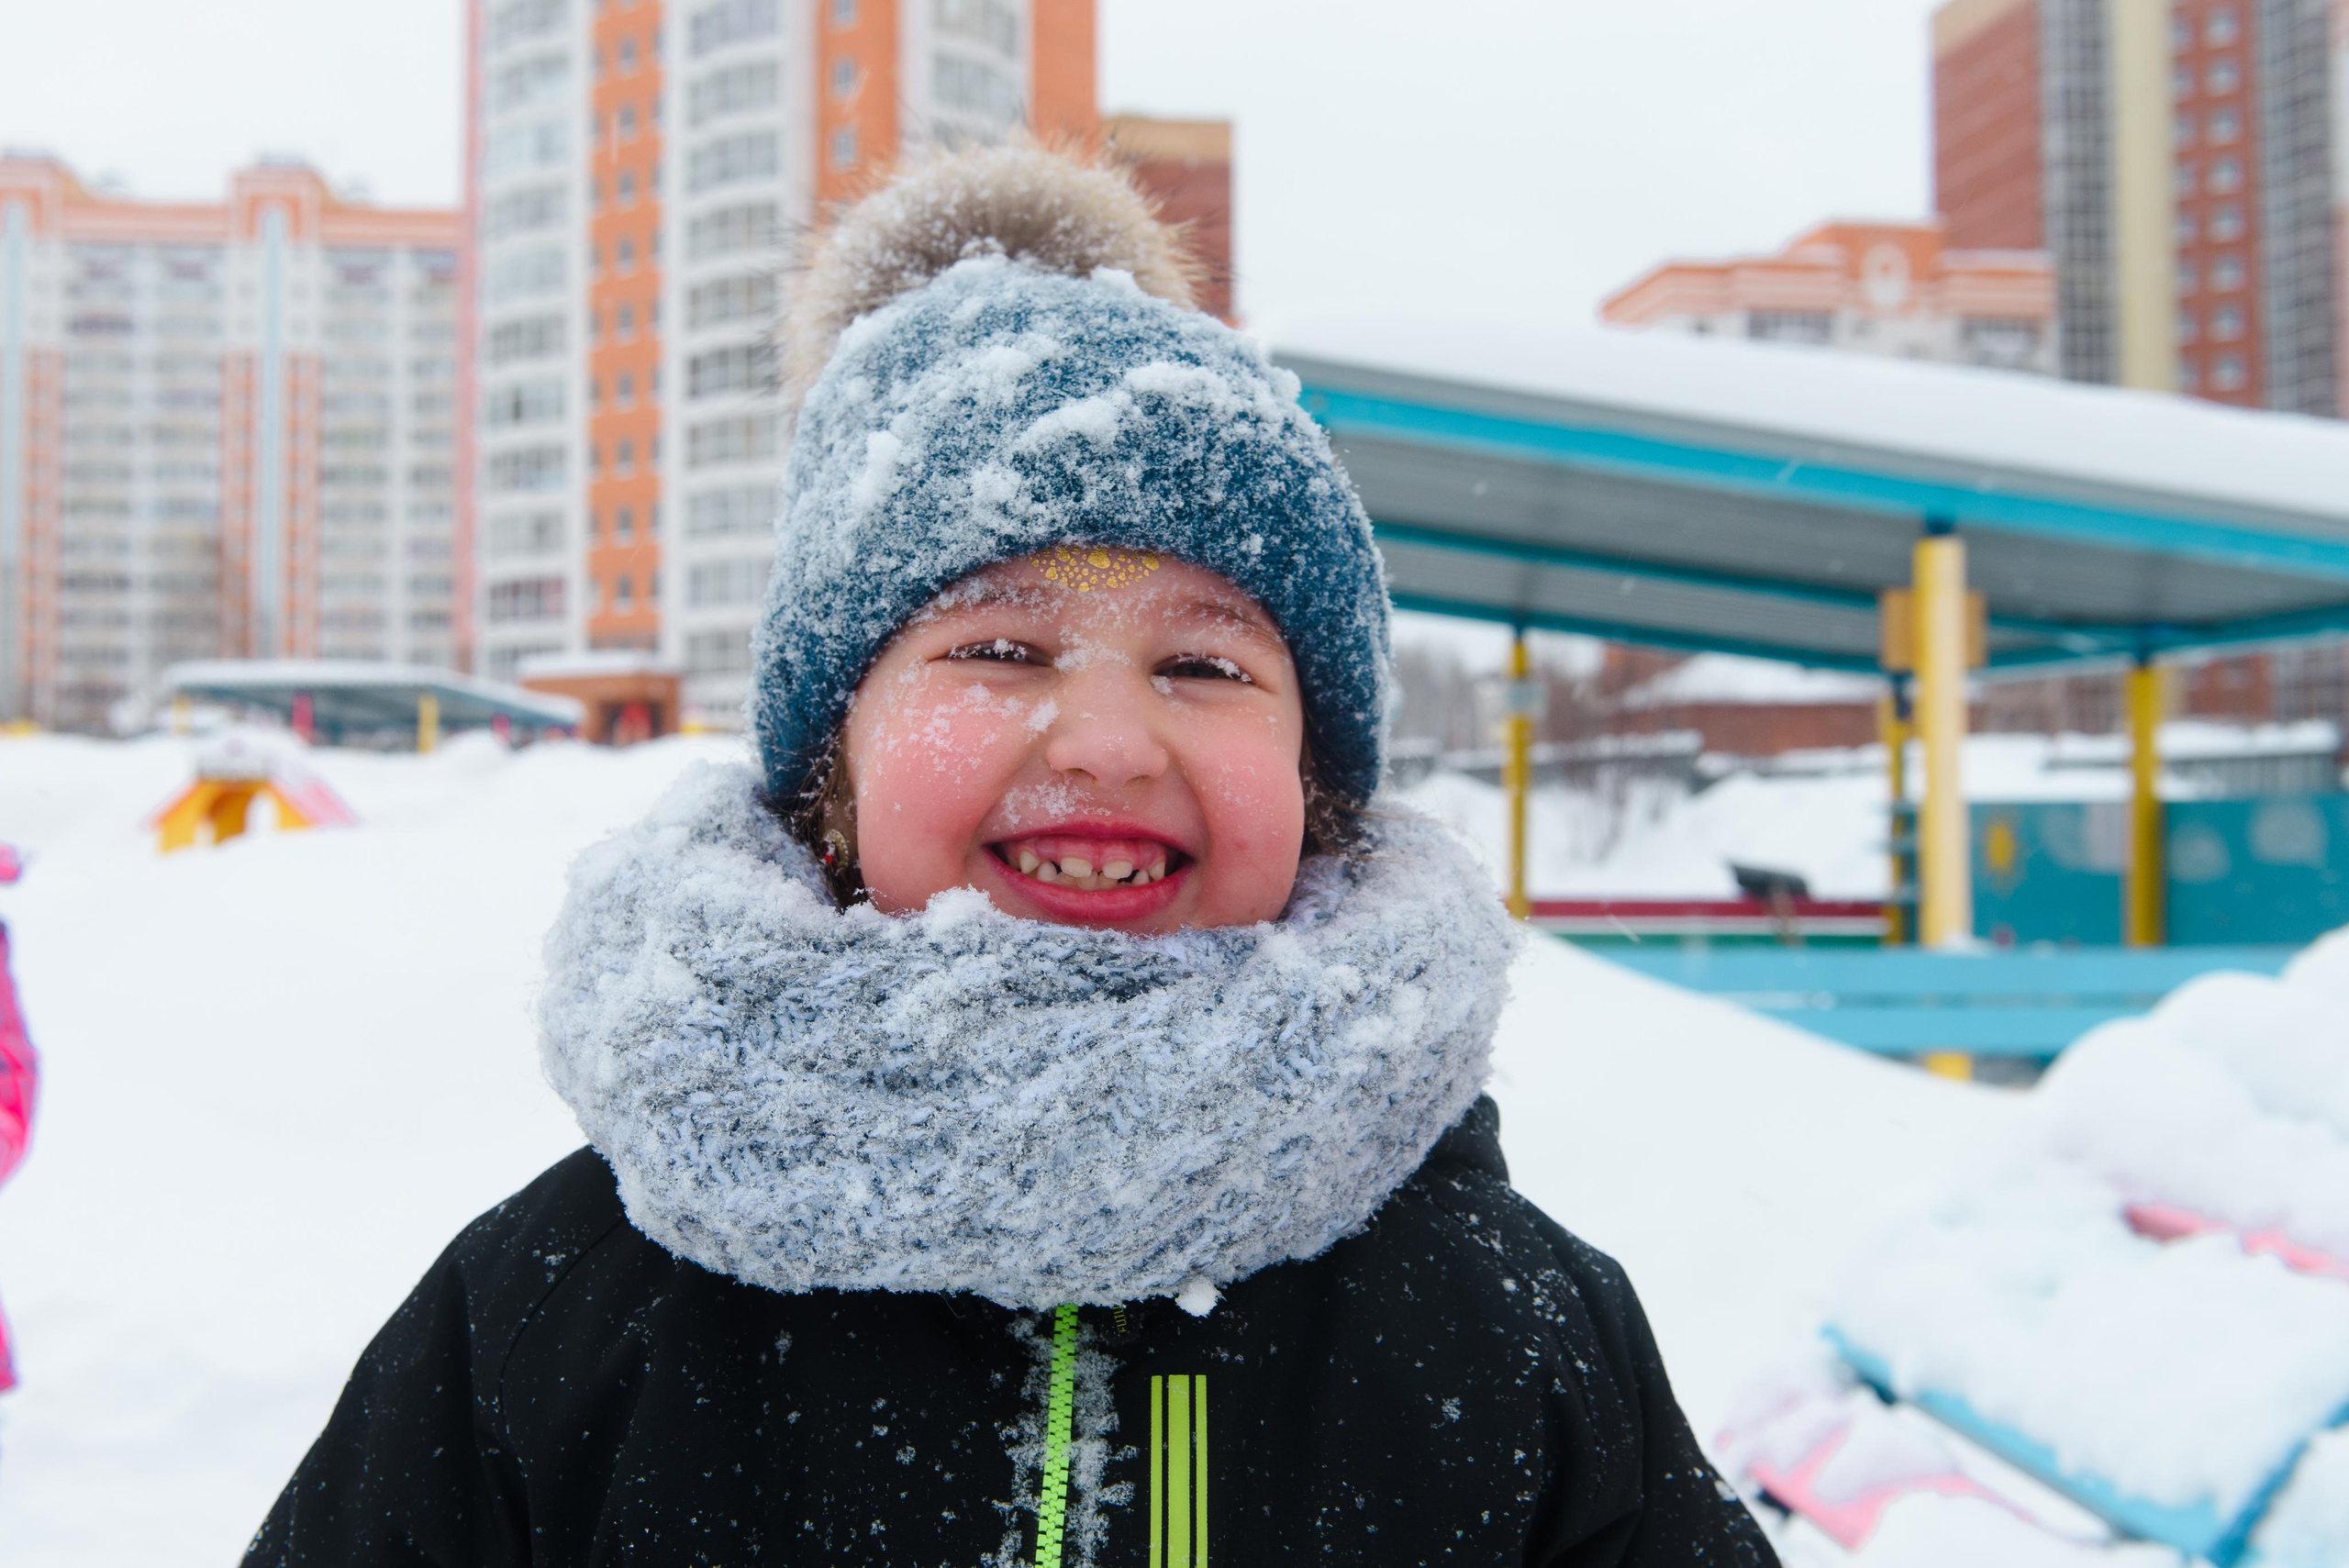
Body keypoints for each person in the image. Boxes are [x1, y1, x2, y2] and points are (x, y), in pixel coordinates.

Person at [245, 147, 1775, 1567]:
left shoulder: (1507, 1330)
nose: (1107, 738)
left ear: (1318, 784)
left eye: (1204, 666)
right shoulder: (563, 1308)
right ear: (827, 769)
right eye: (998, 643)